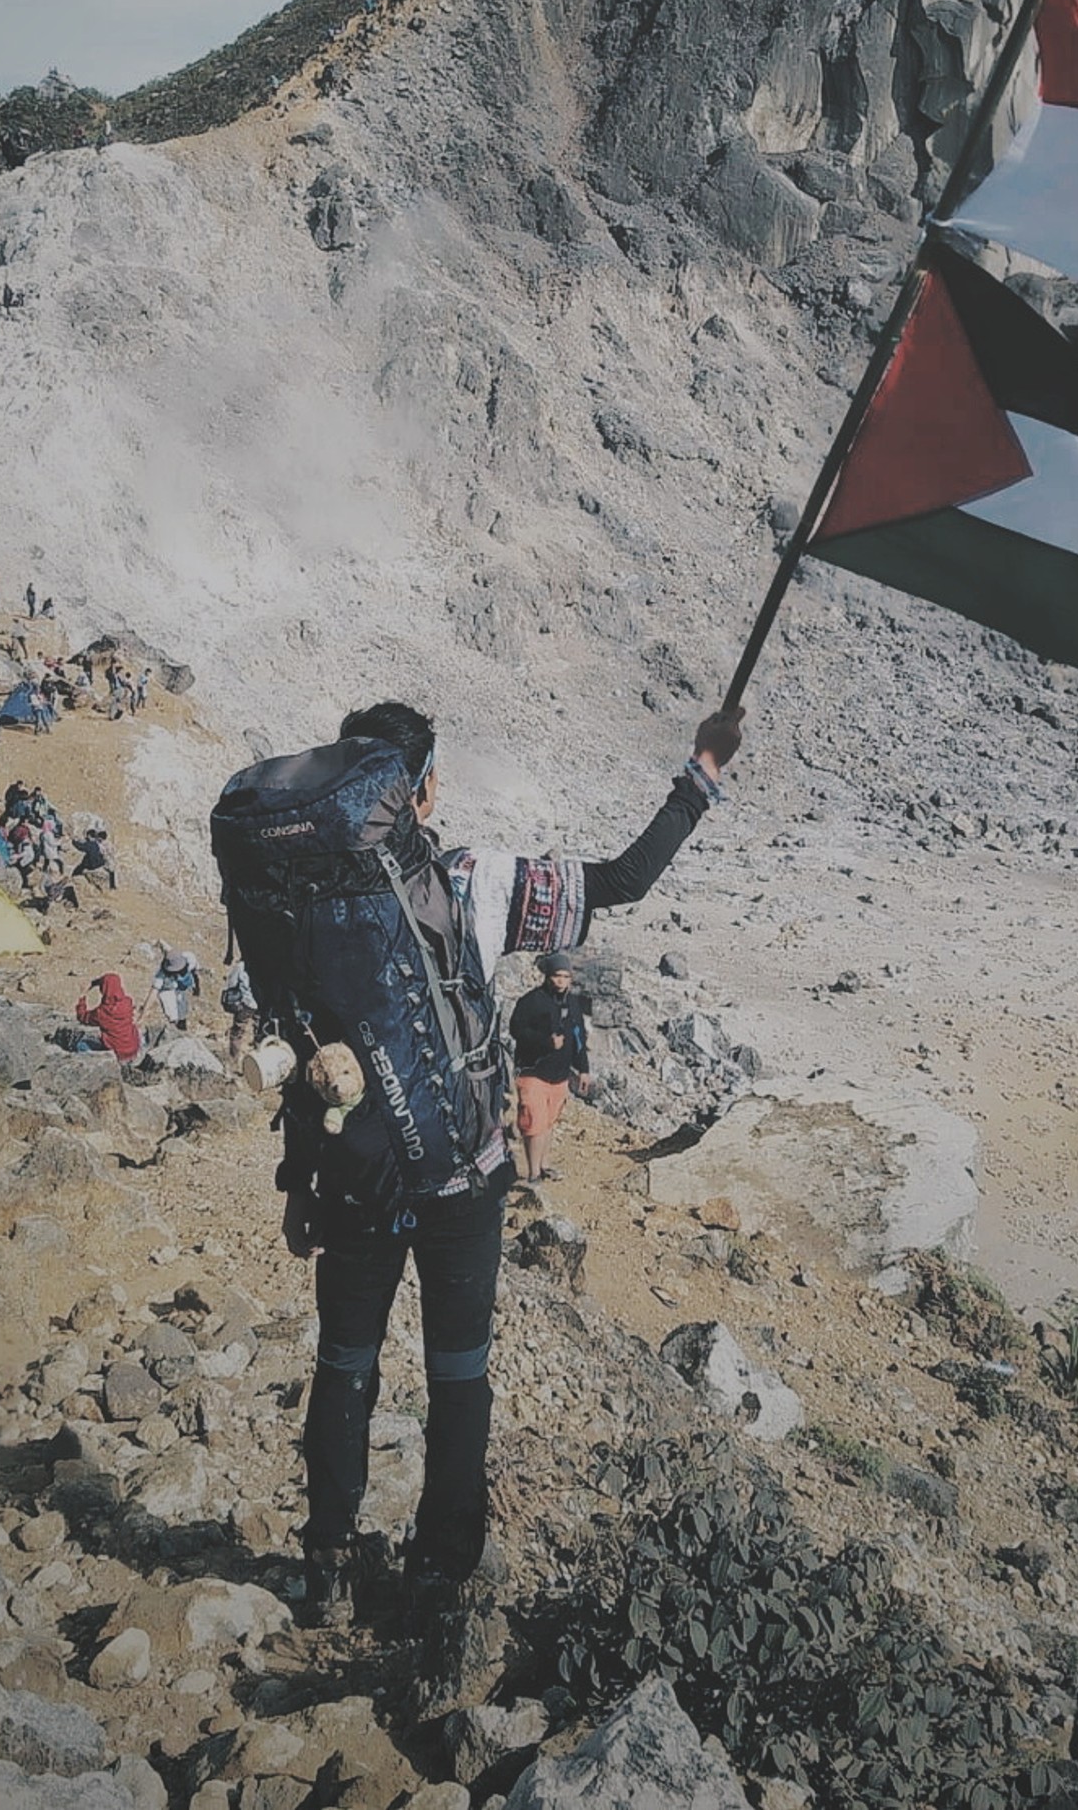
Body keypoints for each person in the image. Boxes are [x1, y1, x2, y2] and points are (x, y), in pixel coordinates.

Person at [268, 696, 743, 1630]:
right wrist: (702, 777)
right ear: (426, 787)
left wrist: (298, 1186)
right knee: (459, 1375)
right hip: (461, 1178)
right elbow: (622, 880)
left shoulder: (297, 892)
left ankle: (325, 1563)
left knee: (344, 1365)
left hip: (355, 1176)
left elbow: (300, 1053)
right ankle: (441, 1575)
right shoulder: (475, 878)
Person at [510, 951, 591, 1184]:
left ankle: (544, 1165)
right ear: (547, 976)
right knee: (533, 1121)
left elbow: (578, 1038)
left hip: (560, 1075)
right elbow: (517, 1030)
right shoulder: (531, 1001)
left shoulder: (573, 1004)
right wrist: (545, 1041)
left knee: (548, 1121)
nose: (561, 981)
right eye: (557, 976)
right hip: (532, 1071)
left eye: (565, 977)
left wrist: (583, 1069)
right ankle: (534, 1173)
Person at [74, 973, 141, 1061]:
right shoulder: (128, 1002)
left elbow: (82, 1016)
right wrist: (95, 982)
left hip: (117, 1053)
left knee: (81, 1045)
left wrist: (82, 996)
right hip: (133, 1048)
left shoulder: (102, 1012)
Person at [222, 961, 259, 1065]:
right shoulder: (264, 963)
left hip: (246, 1004)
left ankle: (234, 1061)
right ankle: (258, 1060)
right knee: (259, 1031)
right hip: (260, 1003)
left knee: (237, 1032)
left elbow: (232, 983)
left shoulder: (241, 966)